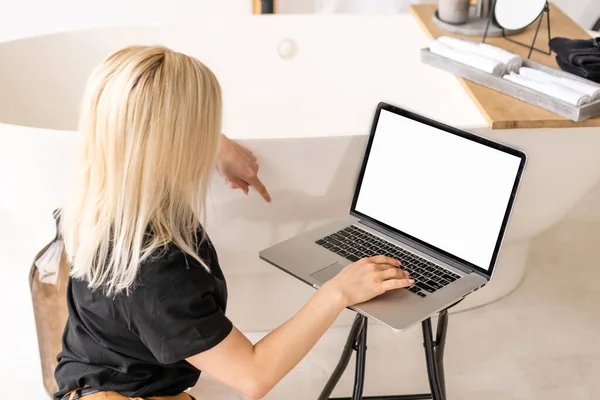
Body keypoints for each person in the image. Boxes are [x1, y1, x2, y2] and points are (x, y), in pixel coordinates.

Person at [55, 45, 413, 400]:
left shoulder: (94, 201)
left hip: (95, 372)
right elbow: (253, 375)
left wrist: (217, 145)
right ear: (176, 143)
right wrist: (338, 292)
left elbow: (135, 125)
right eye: (208, 127)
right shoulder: (158, 273)